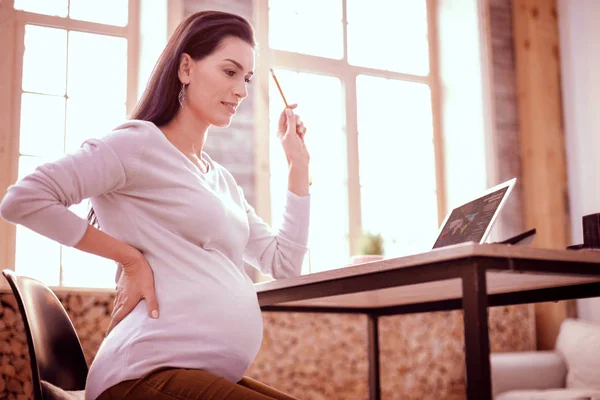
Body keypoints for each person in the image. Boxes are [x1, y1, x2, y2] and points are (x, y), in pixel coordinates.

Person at [0, 10, 310, 400]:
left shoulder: (220, 180)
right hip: (140, 376)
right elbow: (23, 200)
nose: (242, 91)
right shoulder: (138, 145)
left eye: (246, 79)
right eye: (230, 72)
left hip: (191, 374)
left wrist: (298, 165)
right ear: (185, 68)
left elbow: (284, 264)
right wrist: (130, 258)